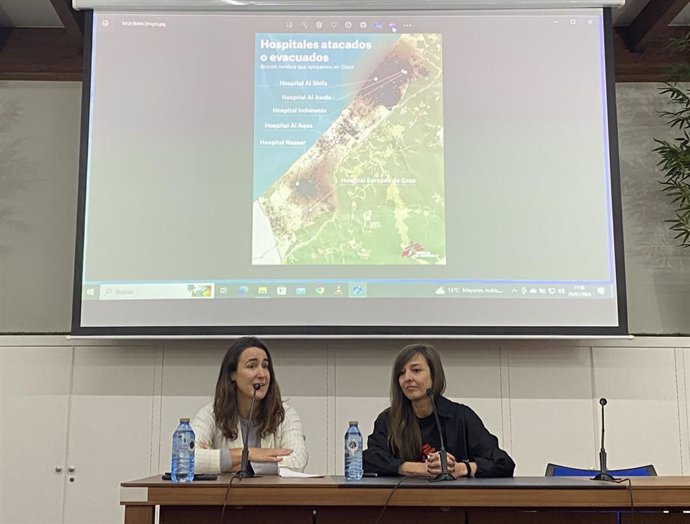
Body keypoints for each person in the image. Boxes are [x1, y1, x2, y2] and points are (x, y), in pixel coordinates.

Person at [363, 343, 514, 478]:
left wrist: (461, 468)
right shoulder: (389, 419)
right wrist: (418, 469)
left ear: (435, 376)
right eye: (401, 373)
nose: (407, 378)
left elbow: (503, 463)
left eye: (416, 370)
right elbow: (367, 460)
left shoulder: (460, 417)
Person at [191, 336, 308, 474]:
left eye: (265, 366)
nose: (262, 374)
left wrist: (225, 462)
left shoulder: (284, 414)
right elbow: (188, 458)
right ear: (232, 374)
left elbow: (298, 461)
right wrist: (249, 453)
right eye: (252, 366)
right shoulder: (212, 413)